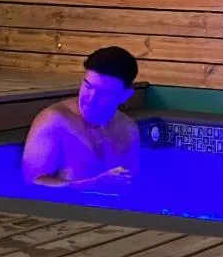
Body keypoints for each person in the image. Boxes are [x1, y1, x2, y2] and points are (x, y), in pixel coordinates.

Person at [21, 46, 140, 188]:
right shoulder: (54, 121)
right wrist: (93, 183)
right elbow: (32, 183)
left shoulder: (128, 128)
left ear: (125, 96)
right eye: (88, 86)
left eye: (104, 93)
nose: (91, 98)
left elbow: (132, 182)